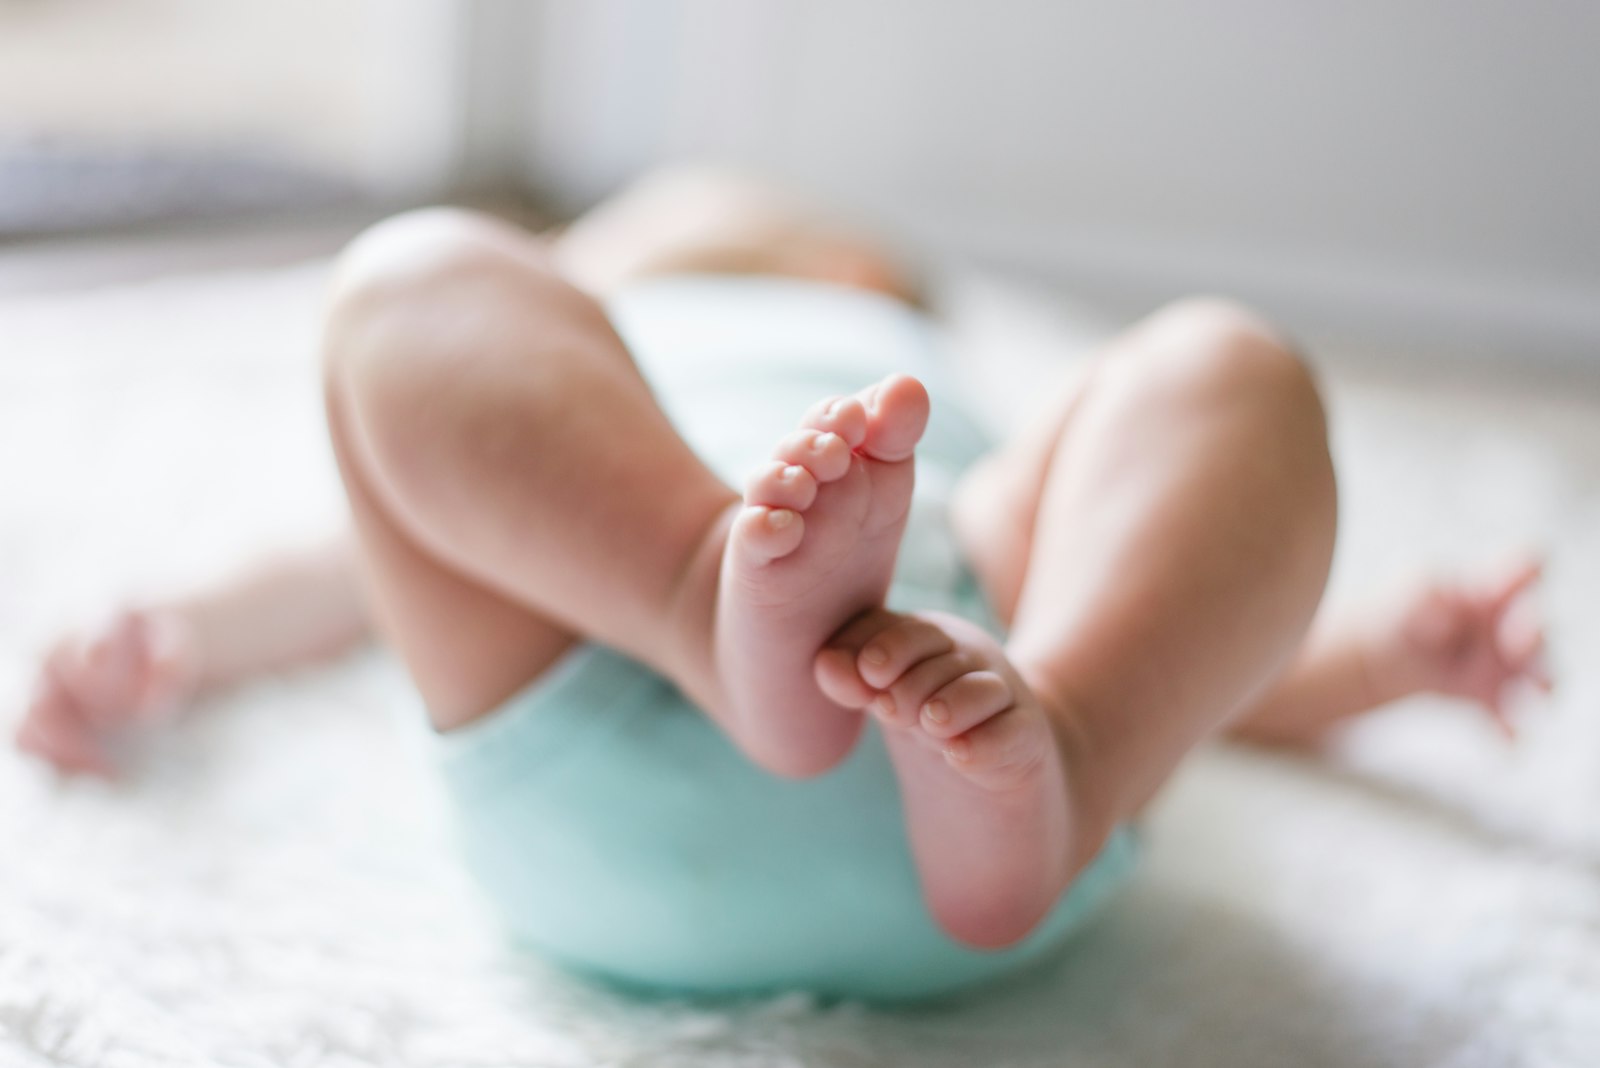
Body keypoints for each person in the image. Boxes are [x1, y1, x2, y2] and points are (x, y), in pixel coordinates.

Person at [16, 168, 1549, 1000]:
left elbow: (1185, 644)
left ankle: (1045, 740)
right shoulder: (579, 380)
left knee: (1218, 379)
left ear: (852, 285)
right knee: (417, 288)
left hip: (861, 740)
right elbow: (352, 565)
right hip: (639, 651)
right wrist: (177, 635)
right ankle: (712, 595)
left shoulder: (944, 407)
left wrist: (1369, 663)